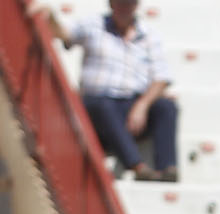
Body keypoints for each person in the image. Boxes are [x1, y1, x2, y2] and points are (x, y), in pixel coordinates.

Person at [39, 1, 179, 182]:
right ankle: (138, 166)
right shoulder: (93, 25)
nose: (123, 7)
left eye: (128, 3)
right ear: (111, 4)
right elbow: (64, 33)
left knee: (167, 107)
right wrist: (51, 16)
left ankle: (168, 169)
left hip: (133, 106)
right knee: (102, 105)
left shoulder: (149, 35)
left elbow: (162, 77)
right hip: (98, 107)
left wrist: (142, 106)